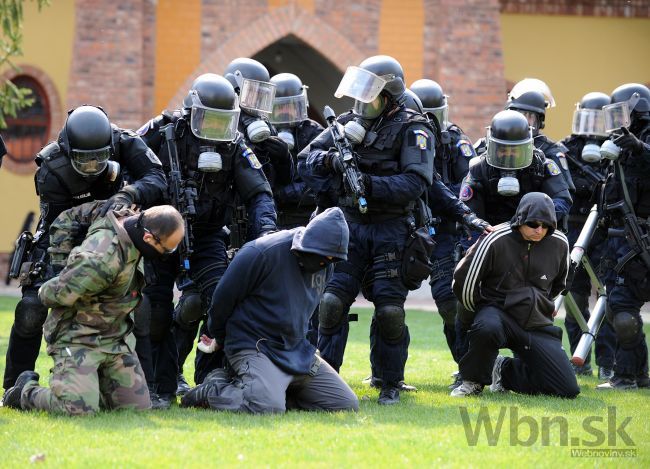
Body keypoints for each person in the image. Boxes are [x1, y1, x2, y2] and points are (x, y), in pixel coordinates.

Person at [298, 55, 489, 405]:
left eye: (368, 96)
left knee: (389, 311)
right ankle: (324, 378)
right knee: (330, 304)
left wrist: (366, 184)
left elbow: (415, 183)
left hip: (393, 231)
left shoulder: (414, 129)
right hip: (348, 228)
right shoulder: (344, 124)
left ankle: (390, 383)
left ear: (389, 96)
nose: (359, 104)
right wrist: (331, 160)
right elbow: (304, 161)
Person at [2, 105, 166, 399]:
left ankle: (149, 389)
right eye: (83, 161)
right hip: (65, 235)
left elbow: (157, 178)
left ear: (109, 148)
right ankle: (13, 386)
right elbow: (58, 228)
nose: (92, 167)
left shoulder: (125, 142)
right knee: (30, 309)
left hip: (120, 234)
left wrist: (128, 193)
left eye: (98, 160)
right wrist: (72, 276)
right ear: (68, 151)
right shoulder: (51, 168)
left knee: (141, 309)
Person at [137, 73, 277, 407]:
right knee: (155, 312)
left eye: (222, 121)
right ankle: (160, 387)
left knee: (220, 303)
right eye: (209, 119)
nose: (215, 128)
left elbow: (259, 194)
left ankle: (213, 378)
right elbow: (132, 169)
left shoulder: (235, 145)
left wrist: (268, 233)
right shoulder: (162, 132)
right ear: (192, 112)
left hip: (207, 236)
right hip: (160, 233)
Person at [2, 203, 185, 414]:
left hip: (115, 339)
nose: (167, 255)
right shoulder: (102, 259)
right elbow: (50, 294)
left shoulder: (133, 225)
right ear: (148, 239)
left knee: (136, 409)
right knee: (76, 409)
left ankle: (88, 387)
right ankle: (24, 392)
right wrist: (71, 275)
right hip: (78, 337)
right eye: (166, 250)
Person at [180, 207, 358, 414]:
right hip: (254, 345)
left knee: (345, 404)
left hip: (295, 348)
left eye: (331, 259)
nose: (324, 262)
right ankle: (214, 389)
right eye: (322, 257)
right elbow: (222, 300)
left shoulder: (327, 262)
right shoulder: (261, 251)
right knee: (266, 407)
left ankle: (273, 392)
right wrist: (219, 336)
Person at [451, 192, 580, 398]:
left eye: (545, 225)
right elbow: (463, 280)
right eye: (533, 224)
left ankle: (502, 370)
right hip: (497, 312)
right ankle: (472, 381)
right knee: (487, 326)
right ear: (520, 220)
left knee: (567, 390)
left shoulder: (560, 243)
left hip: (536, 320)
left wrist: (541, 304)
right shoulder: (495, 238)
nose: (539, 230)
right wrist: (481, 310)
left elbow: (560, 284)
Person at [410, 78, 476, 380]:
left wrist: (439, 193)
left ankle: (467, 366)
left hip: (446, 228)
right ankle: (386, 376)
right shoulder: (404, 135)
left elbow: (468, 186)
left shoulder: (456, 142)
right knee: (388, 301)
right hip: (408, 227)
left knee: (449, 300)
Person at [596, 83, 650, 390]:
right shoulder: (617, 143)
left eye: (622, 112)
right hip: (621, 237)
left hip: (644, 235)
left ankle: (631, 375)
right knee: (620, 309)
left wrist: (638, 148)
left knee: (622, 308)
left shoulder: (640, 141)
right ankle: (633, 375)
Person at [561, 91, 617, 380]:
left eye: (600, 120)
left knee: (608, 299)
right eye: (589, 118)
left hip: (605, 232)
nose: (593, 126)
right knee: (574, 297)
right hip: (574, 228)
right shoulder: (566, 150)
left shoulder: (616, 152)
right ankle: (578, 361)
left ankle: (608, 362)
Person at [269, 72, 324, 229]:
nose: (285, 112)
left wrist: (281, 194)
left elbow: (319, 181)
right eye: (279, 108)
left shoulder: (315, 133)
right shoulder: (263, 133)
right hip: (273, 217)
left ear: (301, 105)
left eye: (291, 107)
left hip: (307, 217)